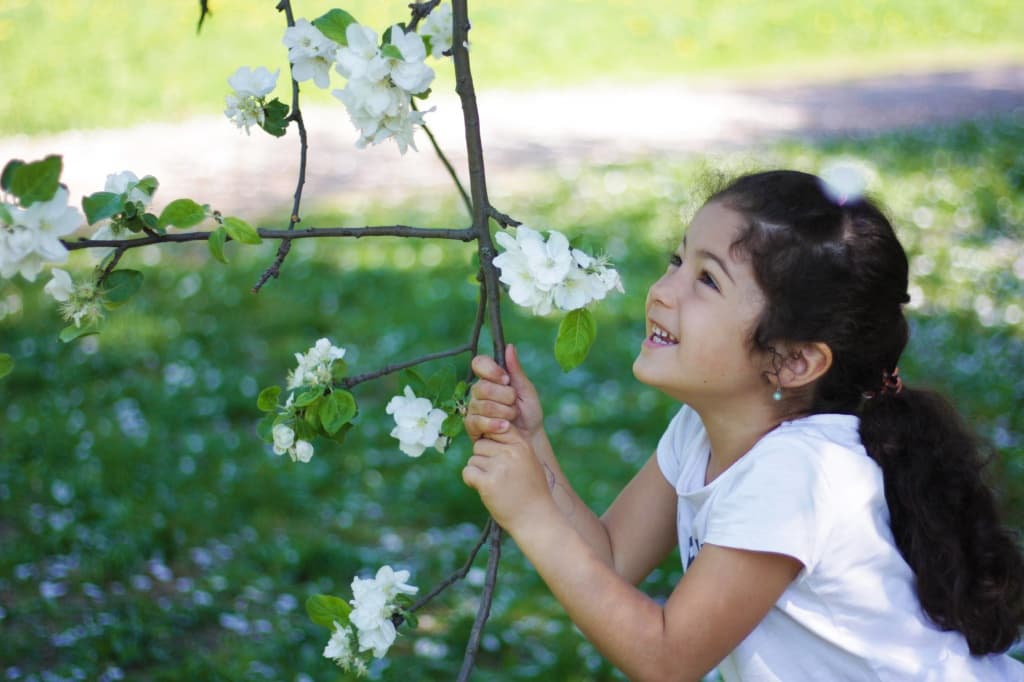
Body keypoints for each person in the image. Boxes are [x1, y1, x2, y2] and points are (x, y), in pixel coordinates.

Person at [462, 170, 1024, 681]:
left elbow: (666, 659)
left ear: (794, 360)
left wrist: (533, 515)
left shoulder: (798, 473)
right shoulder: (699, 433)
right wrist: (532, 446)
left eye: (707, 281)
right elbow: (608, 561)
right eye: (678, 261)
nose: (662, 290)